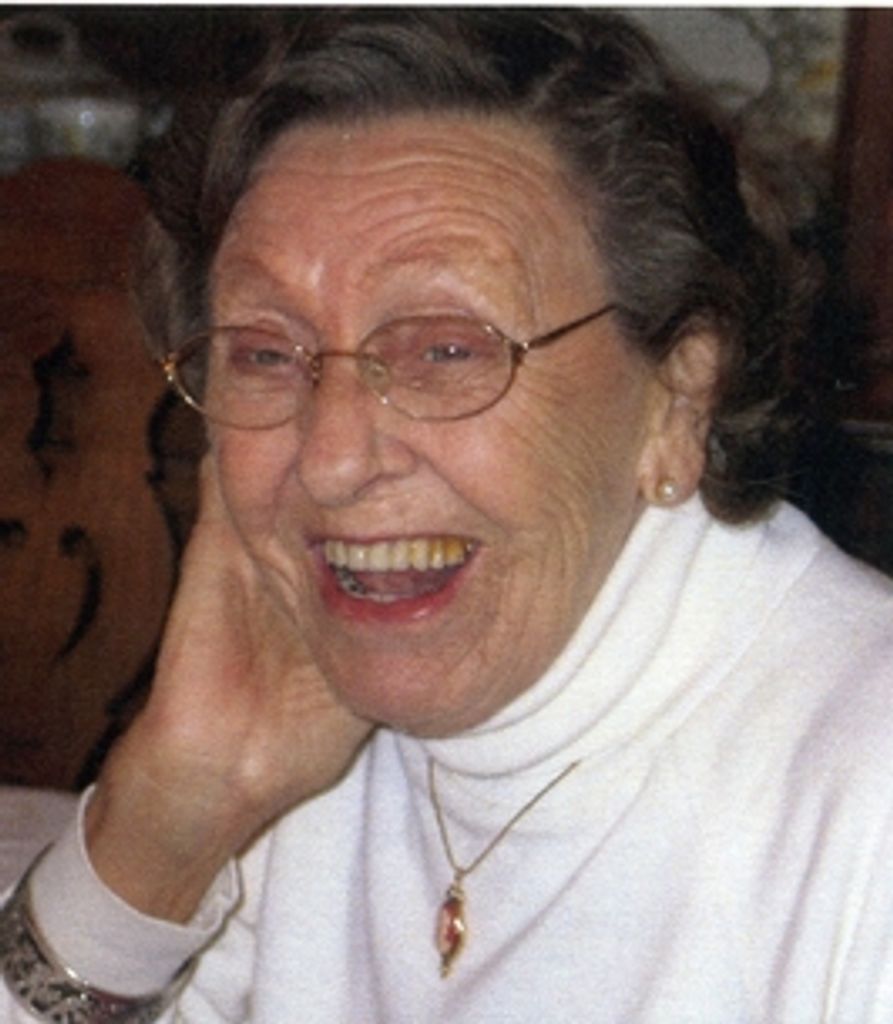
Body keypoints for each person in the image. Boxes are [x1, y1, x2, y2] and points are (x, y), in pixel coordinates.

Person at [2, 9, 893, 1022]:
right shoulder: (287, 726)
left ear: (679, 397)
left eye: (445, 350)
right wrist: (165, 822)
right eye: (264, 353)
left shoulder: (862, 801)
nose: (332, 460)